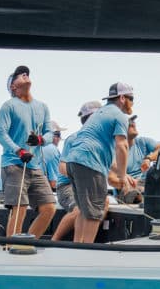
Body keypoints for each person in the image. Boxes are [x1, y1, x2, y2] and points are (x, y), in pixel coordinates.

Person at [62, 82, 136, 243]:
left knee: (83, 210)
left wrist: (123, 173)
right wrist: (122, 178)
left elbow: (105, 154)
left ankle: (77, 249)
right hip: (89, 163)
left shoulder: (100, 113)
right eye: (132, 99)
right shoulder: (120, 116)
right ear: (122, 98)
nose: (133, 103)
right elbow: (122, 146)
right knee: (96, 211)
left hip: (74, 161)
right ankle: (87, 253)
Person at [0, 65, 56, 238]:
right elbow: (0, 133)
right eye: (18, 75)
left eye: (26, 73)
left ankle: (26, 243)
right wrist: (19, 151)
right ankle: (10, 247)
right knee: (19, 208)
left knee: (49, 208)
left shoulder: (43, 107)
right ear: (13, 87)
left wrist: (41, 140)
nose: (24, 74)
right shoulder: (8, 106)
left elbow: (50, 133)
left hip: (35, 167)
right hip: (14, 164)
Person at [51, 100, 101, 242]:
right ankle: (54, 242)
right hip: (68, 186)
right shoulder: (73, 139)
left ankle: (86, 244)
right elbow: (63, 167)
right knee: (80, 208)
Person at [41, 121, 67, 190]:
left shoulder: (38, 147)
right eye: (58, 135)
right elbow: (54, 183)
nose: (59, 138)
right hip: (42, 190)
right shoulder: (52, 149)